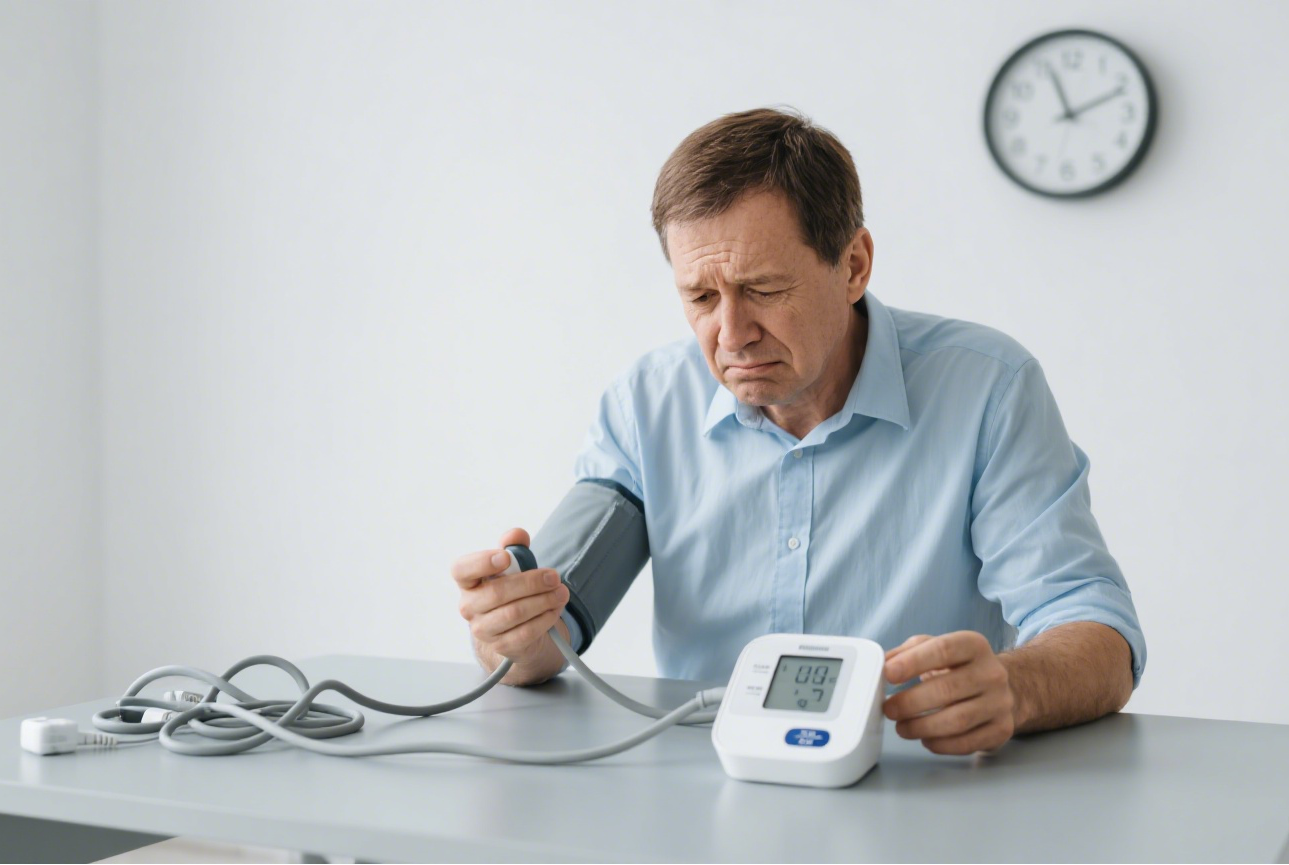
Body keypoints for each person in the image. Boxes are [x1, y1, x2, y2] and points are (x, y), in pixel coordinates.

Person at [451, 108, 1144, 755]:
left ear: (853, 265)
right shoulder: (645, 403)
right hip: (704, 789)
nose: (730, 333)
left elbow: (1100, 639)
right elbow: (551, 631)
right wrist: (512, 629)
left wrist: (1015, 687)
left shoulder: (987, 388)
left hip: (911, 783)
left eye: (762, 289)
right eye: (699, 297)